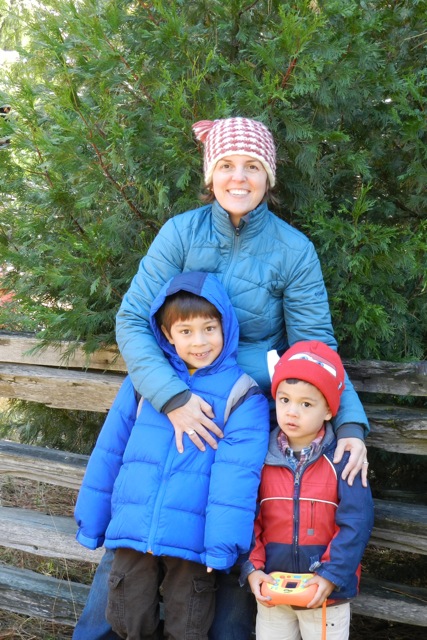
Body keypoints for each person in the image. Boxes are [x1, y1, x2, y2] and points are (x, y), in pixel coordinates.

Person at [73, 117, 369, 640]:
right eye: (226, 165)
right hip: (168, 404)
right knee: (141, 520)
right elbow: (133, 319)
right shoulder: (181, 233)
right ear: (209, 174)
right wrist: (172, 398)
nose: (239, 177)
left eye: (253, 166)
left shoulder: (292, 249)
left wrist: (349, 426)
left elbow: (315, 349)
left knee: (232, 525)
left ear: (269, 177)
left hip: (240, 412)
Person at [74, 270, 270, 640]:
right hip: (134, 527)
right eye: (186, 331)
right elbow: (110, 450)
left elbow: (236, 478)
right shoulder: (145, 383)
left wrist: (221, 546)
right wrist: (92, 519)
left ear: (226, 326)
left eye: (209, 328)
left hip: (193, 542)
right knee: (127, 618)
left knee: (189, 625)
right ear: (167, 334)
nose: (200, 341)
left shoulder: (242, 394)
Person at [243, 340, 374, 640]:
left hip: (325, 593)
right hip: (273, 589)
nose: (292, 412)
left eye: (306, 404)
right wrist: (253, 568)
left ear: (329, 410)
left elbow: (356, 522)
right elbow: (249, 517)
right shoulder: (261, 457)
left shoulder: (344, 461)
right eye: (284, 400)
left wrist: (331, 575)